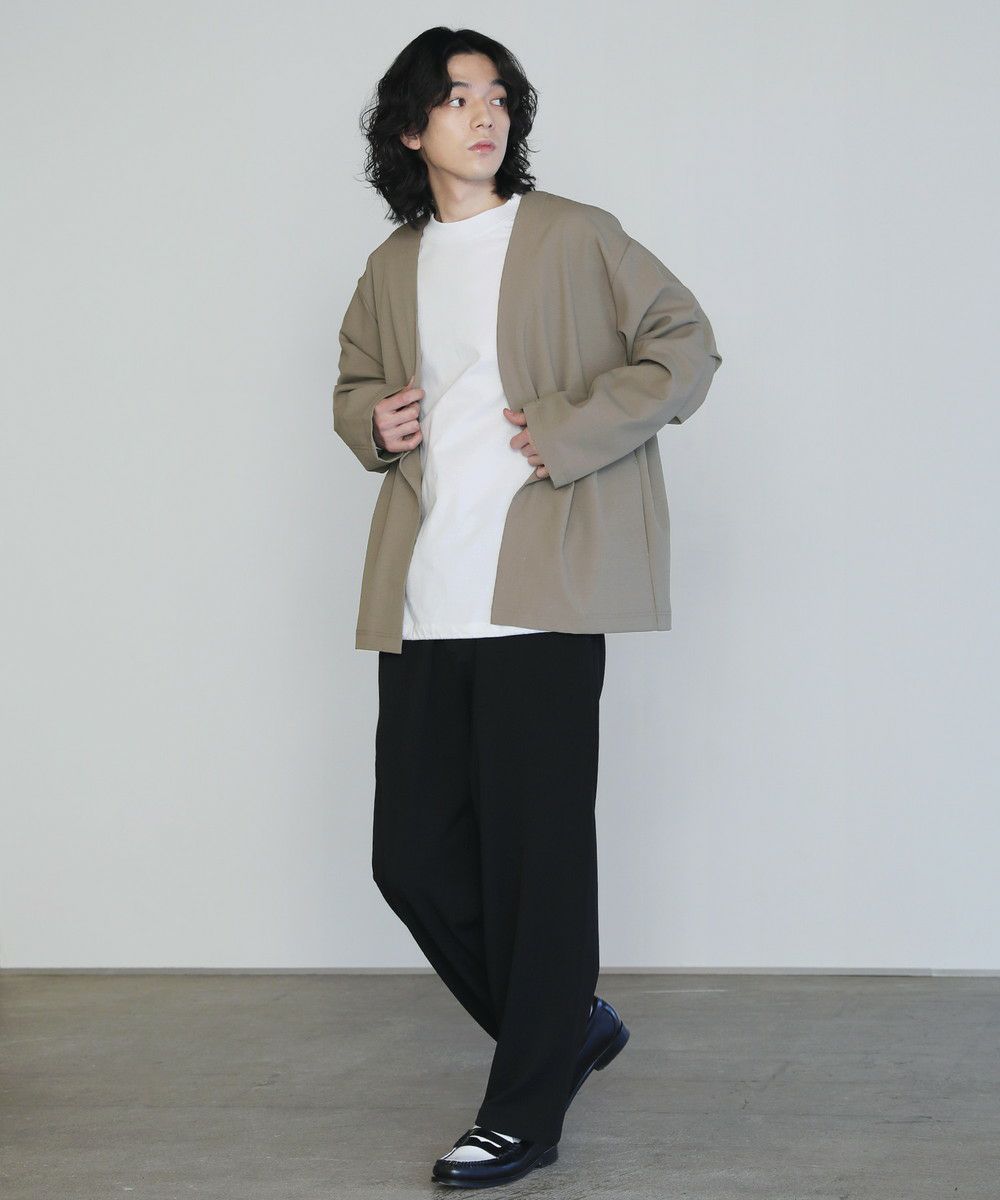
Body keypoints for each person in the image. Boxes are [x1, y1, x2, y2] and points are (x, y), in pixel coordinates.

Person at [332, 26, 722, 1189]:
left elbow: (685, 346)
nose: (485, 115)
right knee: (410, 858)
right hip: (425, 595)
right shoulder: (391, 265)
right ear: (411, 128)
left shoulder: (572, 234)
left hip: (542, 592)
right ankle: (565, 1029)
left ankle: (522, 1111)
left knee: (535, 866)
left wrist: (570, 430)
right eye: (457, 99)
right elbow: (355, 387)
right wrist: (371, 422)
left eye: (498, 96)